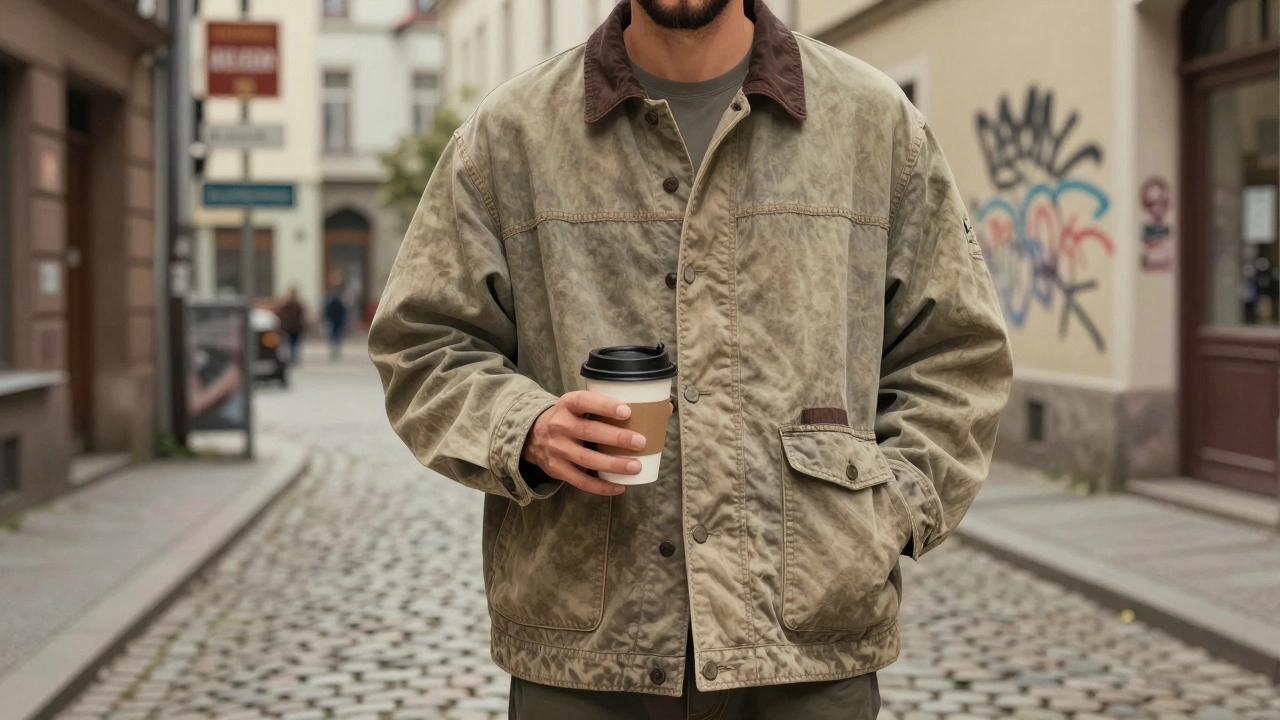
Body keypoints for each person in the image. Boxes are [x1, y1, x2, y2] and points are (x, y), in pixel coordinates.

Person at [369, 0, 1013, 716]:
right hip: (586, 658)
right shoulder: (511, 136)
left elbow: (958, 352)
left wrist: (886, 514)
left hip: (807, 651)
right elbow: (421, 342)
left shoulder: (872, 123)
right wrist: (524, 428)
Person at [276, 287, 306, 365]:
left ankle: (293, 357)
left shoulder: (291, 305)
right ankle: (294, 357)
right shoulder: (295, 304)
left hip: (292, 327)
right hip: (292, 327)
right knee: (294, 343)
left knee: (292, 343)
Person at [323, 272, 349, 361]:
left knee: (337, 335)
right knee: (333, 335)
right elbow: (326, 307)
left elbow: (345, 308)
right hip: (332, 318)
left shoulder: (342, 293)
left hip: (339, 318)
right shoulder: (330, 293)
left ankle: (335, 349)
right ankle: (334, 349)